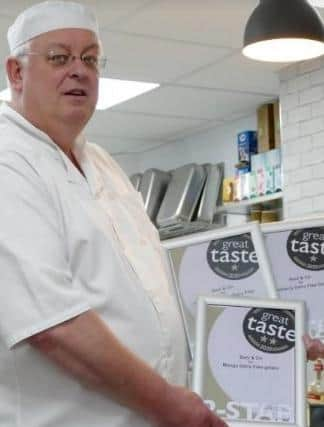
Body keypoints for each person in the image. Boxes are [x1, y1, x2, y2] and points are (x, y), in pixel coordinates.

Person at [0, 2, 228, 427]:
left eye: (90, 58)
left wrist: (271, 336)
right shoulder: (8, 158)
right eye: (59, 57)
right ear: (16, 73)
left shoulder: (102, 162)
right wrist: (169, 405)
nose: (79, 70)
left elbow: (152, 292)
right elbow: (54, 327)